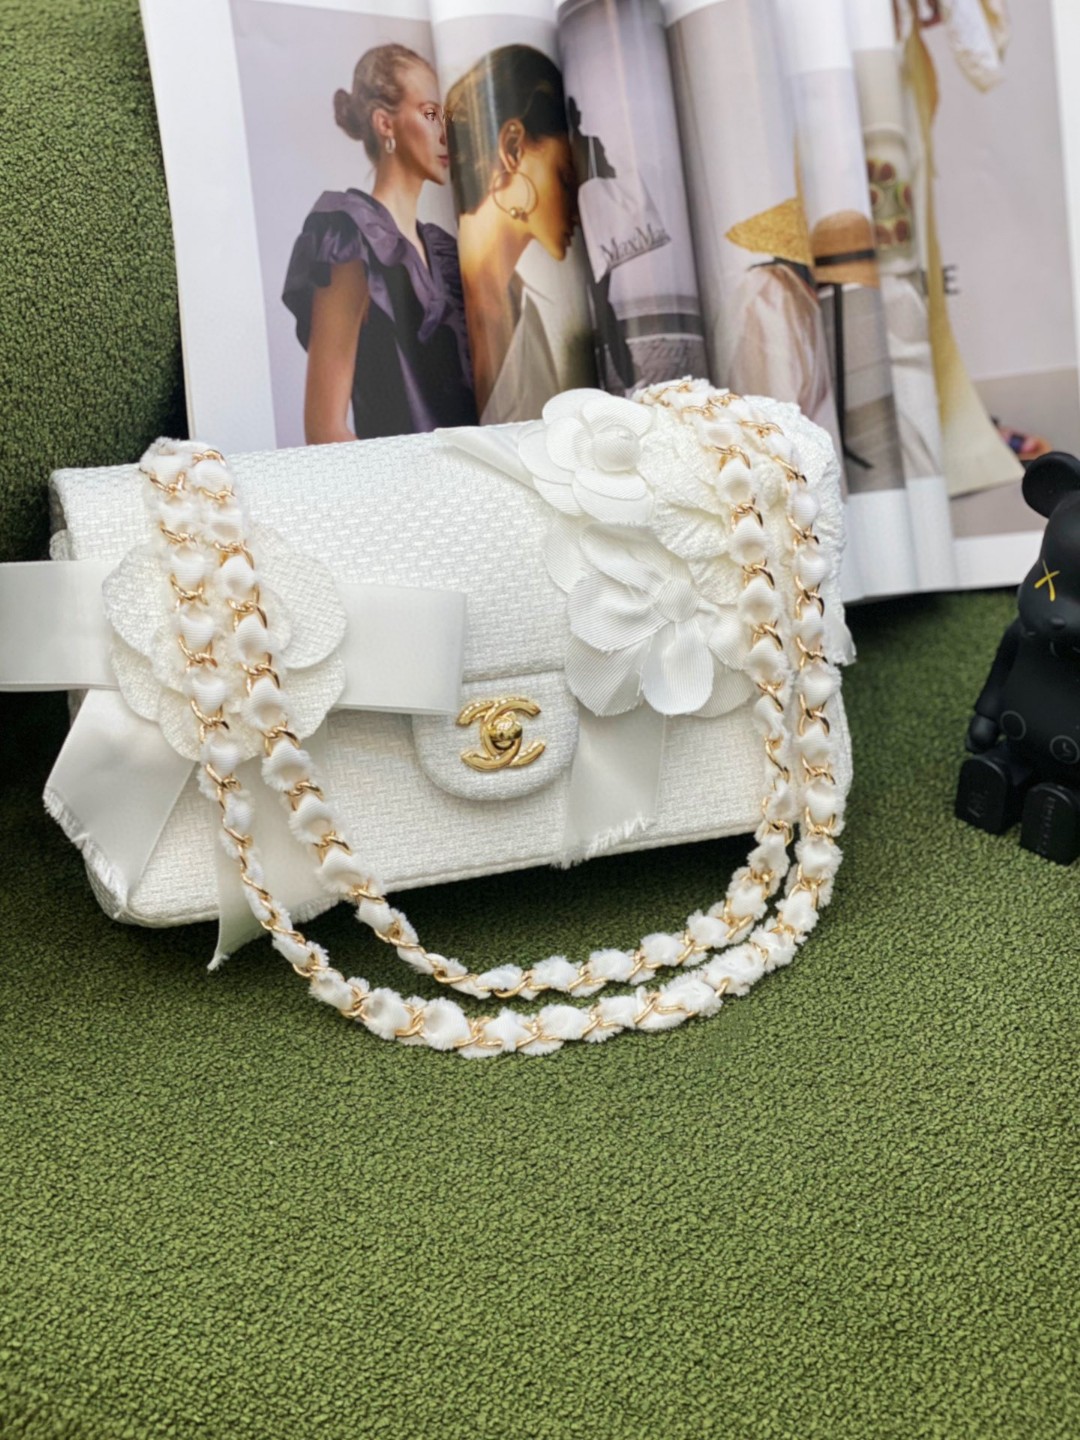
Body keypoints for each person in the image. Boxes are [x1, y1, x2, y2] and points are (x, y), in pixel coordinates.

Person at [283, 44, 476, 442]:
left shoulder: (443, 251)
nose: (446, 133)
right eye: (430, 114)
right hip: (403, 477)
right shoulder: (350, 236)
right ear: (385, 125)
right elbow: (325, 429)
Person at [445, 46, 583, 423]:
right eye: (566, 178)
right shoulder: (422, 289)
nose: (577, 209)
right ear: (512, 147)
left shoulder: (527, 320)